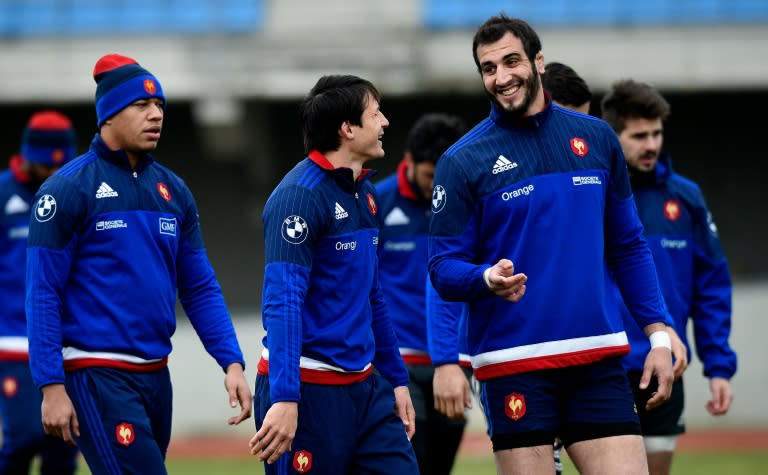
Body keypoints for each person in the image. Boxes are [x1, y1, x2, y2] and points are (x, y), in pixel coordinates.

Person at [427, 14, 675, 474]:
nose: (501, 77)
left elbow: (628, 246)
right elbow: (442, 267)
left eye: (511, 61)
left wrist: (658, 334)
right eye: (488, 68)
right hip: (513, 366)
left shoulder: (597, 138)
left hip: (597, 357)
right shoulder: (461, 161)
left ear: (538, 61)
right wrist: (484, 278)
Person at [25, 54, 252, 474]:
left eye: (161, 106)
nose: (156, 115)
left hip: (155, 376)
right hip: (96, 376)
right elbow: (43, 292)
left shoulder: (173, 190)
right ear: (108, 114)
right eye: (142, 106)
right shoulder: (67, 189)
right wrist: (50, 385)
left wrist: (232, 361)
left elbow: (199, 286)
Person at [249, 74, 419, 475]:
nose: (385, 123)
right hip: (309, 390)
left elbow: (372, 295)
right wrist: (286, 398)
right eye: (375, 114)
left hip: (366, 387)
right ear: (347, 129)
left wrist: (396, 379)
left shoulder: (367, 194)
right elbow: (283, 302)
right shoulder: (298, 197)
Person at [601, 79, 737, 475]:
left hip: (665, 367)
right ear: (614, 137)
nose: (651, 144)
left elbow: (711, 284)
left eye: (656, 133)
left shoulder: (686, 198)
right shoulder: (595, 195)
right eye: (639, 135)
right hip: (607, 367)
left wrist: (718, 365)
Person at [375, 113, 470, 475]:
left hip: (452, 358)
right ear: (409, 162)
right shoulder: (378, 203)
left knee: (440, 465)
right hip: (398, 362)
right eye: (431, 175)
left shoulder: (462, 204)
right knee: (410, 460)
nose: (437, 186)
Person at [0, 111, 80, 474]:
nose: (52, 174)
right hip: (13, 339)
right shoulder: (4, 194)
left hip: (65, 339)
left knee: (64, 440)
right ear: (28, 156)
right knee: (26, 435)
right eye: (46, 166)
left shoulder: (73, 192)